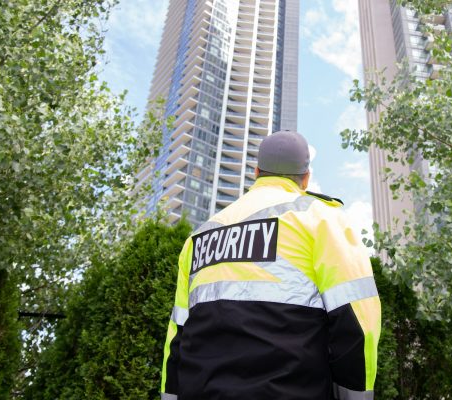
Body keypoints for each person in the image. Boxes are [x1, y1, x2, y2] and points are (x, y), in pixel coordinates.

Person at [161, 130, 381, 400]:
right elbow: (357, 319)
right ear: (306, 178)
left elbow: (177, 336)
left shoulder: (197, 239)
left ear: (256, 172)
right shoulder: (322, 220)